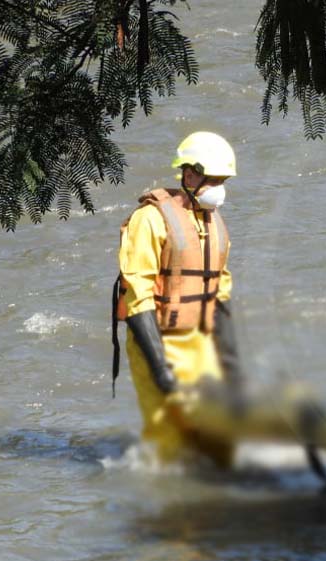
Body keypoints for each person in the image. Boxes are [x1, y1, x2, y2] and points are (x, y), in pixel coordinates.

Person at [111, 131, 245, 464]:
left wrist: (230, 362)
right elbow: (138, 293)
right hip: (155, 340)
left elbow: (220, 293)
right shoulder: (150, 219)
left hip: (199, 341)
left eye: (222, 180)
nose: (219, 187)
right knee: (171, 444)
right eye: (212, 179)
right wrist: (161, 369)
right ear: (189, 173)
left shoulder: (214, 223)